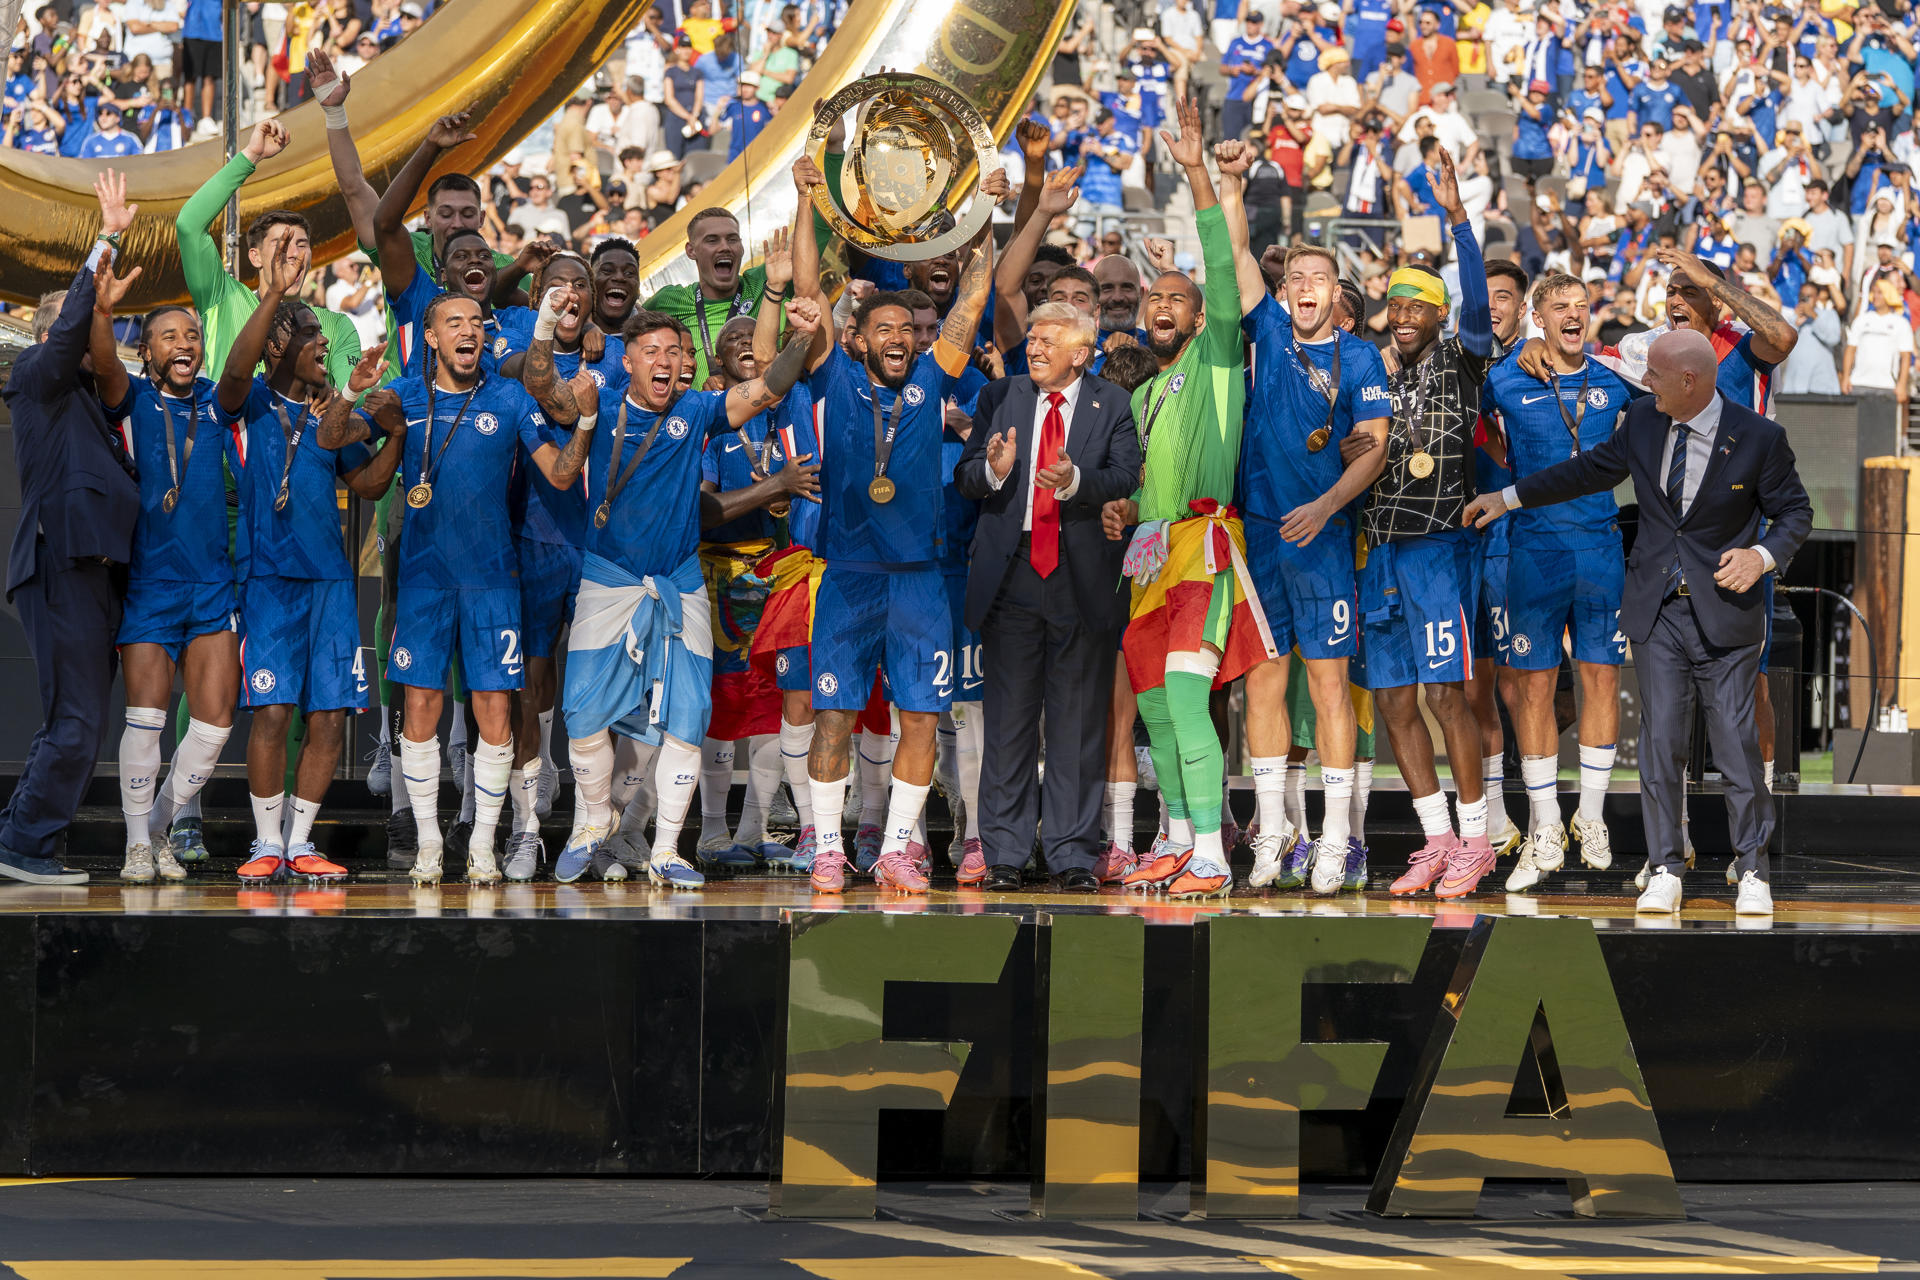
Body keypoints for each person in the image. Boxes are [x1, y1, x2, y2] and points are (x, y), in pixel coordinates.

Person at [1465, 328, 1813, 916]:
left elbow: (1796, 513)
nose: (1643, 383)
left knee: (1735, 745)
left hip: (1726, 614)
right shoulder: (1645, 422)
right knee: (1660, 745)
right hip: (1657, 612)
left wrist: (1761, 557)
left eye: (1653, 375)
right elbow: (1585, 472)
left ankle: (1753, 870)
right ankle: (1666, 869)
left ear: (1689, 381)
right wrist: (1509, 498)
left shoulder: (1759, 436)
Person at [525, 294, 824, 889]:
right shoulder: (601, 401)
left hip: (680, 583)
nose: (665, 361)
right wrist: (544, 325)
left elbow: (767, 388)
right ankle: (593, 819)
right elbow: (541, 386)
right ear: (628, 361)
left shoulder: (698, 409)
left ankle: (666, 849)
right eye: (651, 352)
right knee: (582, 714)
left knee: (688, 715)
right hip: (607, 580)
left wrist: (802, 337)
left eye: (674, 352)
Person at [786, 153, 1004, 894]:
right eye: (883, 328)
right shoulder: (835, 376)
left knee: (921, 718)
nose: (899, 338)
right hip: (848, 578)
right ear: (857, 338)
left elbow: (972, 300)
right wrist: (808, 201)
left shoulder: (934, 377)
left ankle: (898, 847)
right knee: (834, 717)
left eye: (907, 330)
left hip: (919, 582)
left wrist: (986, 219)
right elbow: (808, 293)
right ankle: (827, 848)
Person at [1214, 139, 1392, 893]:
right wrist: (1231, 184)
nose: (1306, 288)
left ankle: (1336, 839)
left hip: (1323, 538)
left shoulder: (1364, 359)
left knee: (1327, 686)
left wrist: (1324, 507)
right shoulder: (1267, 331)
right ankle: (1272, 835)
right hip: (1261, 535)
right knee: (1262, 684)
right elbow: (1236, 253)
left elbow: (1374, 450)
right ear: (1284, 292)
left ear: (1336, 292)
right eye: (1296, 279)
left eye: (1319, 279)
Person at [1099, 98, 1263, 901]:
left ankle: (1210, 853)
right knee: (1157, 708)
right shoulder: (1140, 396)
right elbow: (1142, 483)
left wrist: (1198, 172)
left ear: (1201, 321)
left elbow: (1223, 273)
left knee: (1190, 697)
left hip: (1204, 549)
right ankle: (1173, 837)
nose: (1161, 305)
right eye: (1152, 299)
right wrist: (1125, 508)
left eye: (1178, 300)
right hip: (1149, 556)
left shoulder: (1217, 364)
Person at [217, 240, 401, 885]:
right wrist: (273, 293)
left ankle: (300, 843)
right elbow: (235, 371)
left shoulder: (333, 413)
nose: (325, 342)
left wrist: (397, 434)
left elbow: (369, 484)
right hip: (269, 581)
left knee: (329, 717)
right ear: (277, 345)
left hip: (330, 584)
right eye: (311, 333)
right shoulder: (247, 402)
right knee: (273, 713)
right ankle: (265, 843)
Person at [1350, 147, 1499, 900]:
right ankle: (1437, 839)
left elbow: (1478, 308)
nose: (1405, 318)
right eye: (1398, 307)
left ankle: (1477, 841)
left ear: (1440, 316)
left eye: (1419, 308)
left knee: (1446, 698)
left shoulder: (1463, 360)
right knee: (1394, 703)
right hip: (1380, 550)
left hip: (1438, 549)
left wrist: (1459, 221)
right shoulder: (1377, 373)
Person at [955, 302, 1141, 892]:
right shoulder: (999, 397)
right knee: (1008, 722)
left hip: (1080, 578)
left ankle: (1071, 855)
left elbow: (1126, 475)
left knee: (1077, 724)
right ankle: (1005, 854)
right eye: (1031, 339)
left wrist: (1077, 481)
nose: (1033, 348)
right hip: (1011, 575)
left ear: (1081, 354)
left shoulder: (1113, 403)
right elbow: (965, 477)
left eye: (1047, 341)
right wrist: (994, 471)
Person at [0, 173, 142, 885]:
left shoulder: (99, 401)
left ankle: (21, 836)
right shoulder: (37, 374)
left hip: (96, 575)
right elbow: (67, 336)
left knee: (77, 720)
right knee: (78, 721)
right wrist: (105, 241)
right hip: (62, 563)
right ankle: (26, 844)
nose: (91, 332)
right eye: (79, 322)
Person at [1481, 271, 1638, 892]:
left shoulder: (1616, 378)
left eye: (1582, 305)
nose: (1574, 314)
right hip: (1533, 553)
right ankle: (1545, 823)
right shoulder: (1503, 378)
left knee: (1602, 680)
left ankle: (1590, 816)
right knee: (1533, 690)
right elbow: (1467, 418)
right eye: (1561, 307)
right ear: (1539, 317)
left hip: (1600, 550)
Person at [90, 265, 241, 885]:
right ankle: (135, 847)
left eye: (193, 335)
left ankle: (156, 827)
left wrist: (273, 294)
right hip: (152, 582)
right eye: (170, 336)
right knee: (147, 721)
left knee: (215, 723)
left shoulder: (217, 401)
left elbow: (240, 369)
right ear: (148, 350)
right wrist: (102, 311)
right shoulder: (131, 398)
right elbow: (103, 363)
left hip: (212, 583)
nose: (185, 344)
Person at [641, 207, 768, 392]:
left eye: (732, 239)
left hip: (766, 406)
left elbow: (813, 240)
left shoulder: (766, 282)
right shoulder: (668, 301)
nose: (724, 247)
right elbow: (626, 329)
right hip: (696, 410)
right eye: (712, 240)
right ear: (691, 251)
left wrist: (804, 196)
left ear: (741, 247)